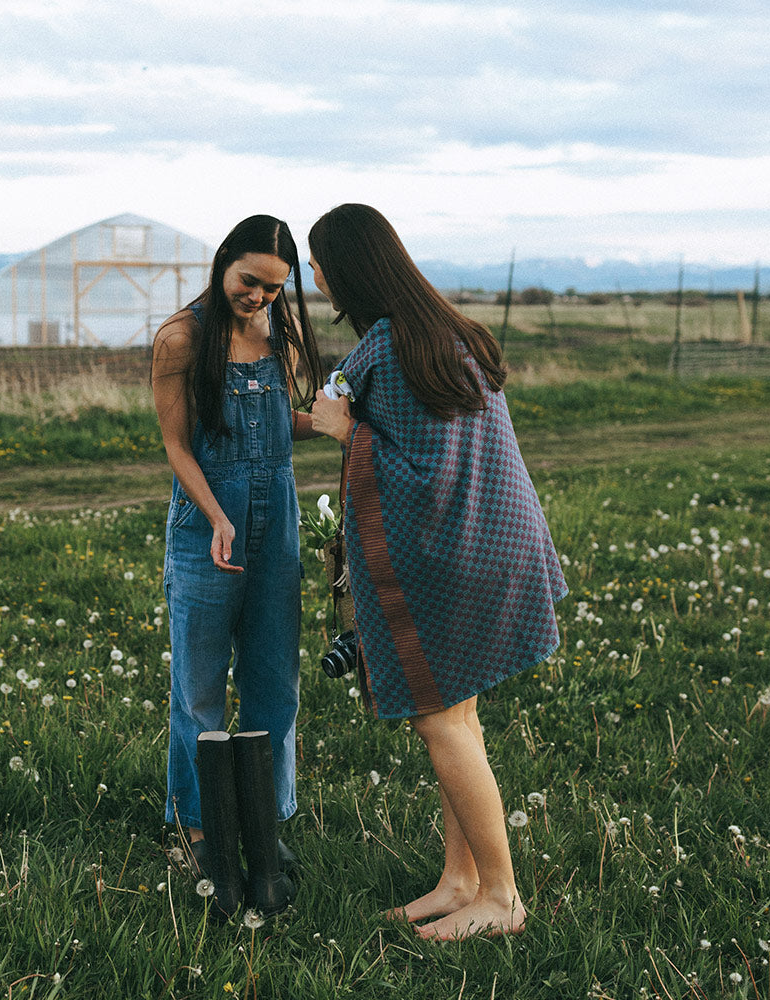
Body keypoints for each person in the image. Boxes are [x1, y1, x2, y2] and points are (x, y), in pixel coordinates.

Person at [308, 204, 567, 941]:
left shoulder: (387, 350)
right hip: (498, 543)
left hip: (454, 559)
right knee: (460, 715)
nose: (317, 276)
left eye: (321, 262)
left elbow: (419, 473)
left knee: (439, 720)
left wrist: (344, 429)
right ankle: (461, 881)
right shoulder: (448, 331)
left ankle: (503, 899)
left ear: (350, 269)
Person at [151, 215, 323, 916]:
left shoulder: (280, 335)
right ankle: (199, 828)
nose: (259, 298)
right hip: (205, 527)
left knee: (275, 682)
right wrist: (219, 516)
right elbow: (177, 446)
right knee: (198, 691)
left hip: (277, 524)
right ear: (224, 263)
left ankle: (266, 823)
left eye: (275, 289)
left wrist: (338, 422)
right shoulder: (181, 338)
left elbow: (287, 422)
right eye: (250, 281)